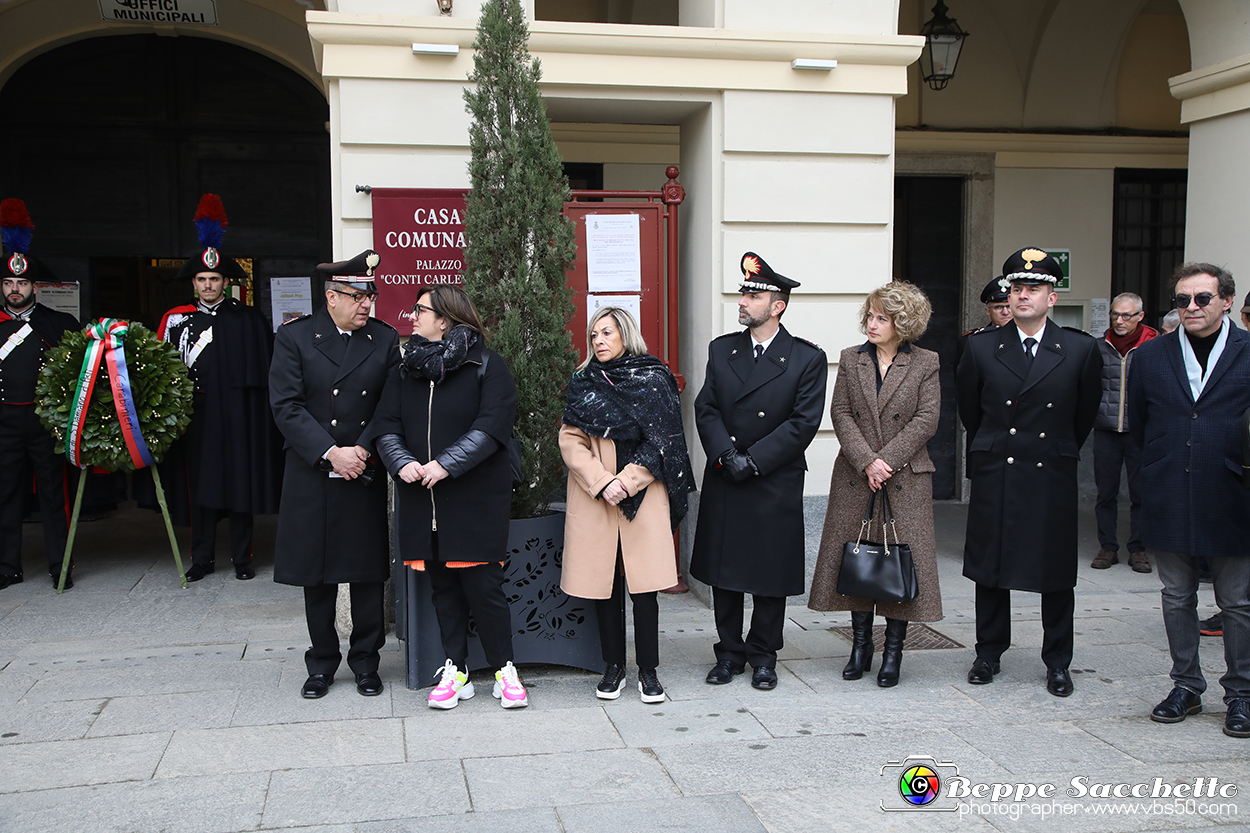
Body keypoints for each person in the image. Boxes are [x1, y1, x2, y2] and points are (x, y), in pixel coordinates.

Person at [372, 285, 527, 710]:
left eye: (421, 310)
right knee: (444, 591)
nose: (413, 316)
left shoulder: (487, 365)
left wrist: (445, 464)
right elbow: (385, 424)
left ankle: (504, 671)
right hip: (423, 501)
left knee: (485, 589)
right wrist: (401, 462)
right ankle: (455, 671)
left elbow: (492, 426)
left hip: (473, 499)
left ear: (445, 319)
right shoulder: (405, 369)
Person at [956, 247, 1101, 697]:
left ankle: (1057, 661)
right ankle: (988, 652)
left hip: (1049, 472)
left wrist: (1055, 450)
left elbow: (1083, 415)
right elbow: (970, 410)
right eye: (1017, 288)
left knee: (1055, 572)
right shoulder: (981, 346)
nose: (1023, 296)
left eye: (1033, 289)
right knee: (990, 568)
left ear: (1051, 297)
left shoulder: (1079, 348)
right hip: (999, 465)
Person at [690, 252, 827, 691]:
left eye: (753, 293)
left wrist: (755, 460)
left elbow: (803, 423)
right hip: (727, 473)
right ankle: (728, 652)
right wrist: (727, 455)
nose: (743, 300)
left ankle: (764, 654)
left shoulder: (806, 358)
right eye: (743, 292)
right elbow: (706, 407)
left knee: (769, 574)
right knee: (725, 573)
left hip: (773, 478)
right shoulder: (722, 349)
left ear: (778, 304)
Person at [1127, 262, 1250, 739]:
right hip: (1169, 488)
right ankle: (1186, 686)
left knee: (1237, 602)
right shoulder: (1151, 356)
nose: (1191, 308)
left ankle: (1240, 693)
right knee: (1176, 595)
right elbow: (1139, 424)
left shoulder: (1246, 351)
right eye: (1182, 300)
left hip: (1233, 491)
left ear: (1225, 302)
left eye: (1202, 298)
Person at [269, 250, 398, 700]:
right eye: (358, 295)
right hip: (313, 470)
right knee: (316, 573)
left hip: (361, 469)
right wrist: (330, 452)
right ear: (332, 296)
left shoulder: (383, 340)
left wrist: (361, 450)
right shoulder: (296, 337)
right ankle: (321, 663)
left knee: (365, 572)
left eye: (371, 295)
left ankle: (366, 662)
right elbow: (286, 405)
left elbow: (390, 404)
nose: (367, 304)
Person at [809, 281, 942, 688]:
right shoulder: (852, 359)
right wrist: (868, 461)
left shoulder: (926, 362)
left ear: (903, 322)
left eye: (881, 317)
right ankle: (860, 647)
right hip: (856, 476)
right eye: (869, 316)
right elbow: (841, 412)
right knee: (858, 559)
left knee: (900, 564)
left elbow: (927, 418)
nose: (871, 323)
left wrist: (887, 461)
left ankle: (894, 653)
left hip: (905, 479)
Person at [560, 306, 694, 703]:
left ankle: (649, 672)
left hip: (642, 493)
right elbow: (571, 440)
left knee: (645, 587)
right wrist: (603, 483)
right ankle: (613, 667)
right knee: (605, 585)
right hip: (595, 496)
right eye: (594, 335)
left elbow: (666, 440)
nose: (599, 341)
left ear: (625, 335)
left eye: (607, 333)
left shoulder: (653, 379)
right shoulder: (583, 383)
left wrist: (628, 480)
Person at [156, 194, 282, 582]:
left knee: (240, 487)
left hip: (240, 418)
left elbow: (266, 376)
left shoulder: (248, 319)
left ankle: (242, 559)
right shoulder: (177, 321)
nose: (209, 285)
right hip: (197, 419)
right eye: (202, 279)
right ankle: (203, 558)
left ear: (226, 282)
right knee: (201, 492)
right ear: (193, 282)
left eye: (215, 279)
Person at [0, 198, 80, 590]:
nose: (15, 290)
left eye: (22, 283)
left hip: (45, 421)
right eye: (9, 283)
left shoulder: (58, 323)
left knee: (53, 496)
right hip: (4, 422)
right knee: (5, 496)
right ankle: (7, 567)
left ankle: (59, 565)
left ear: (34, 286)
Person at [1090, 292, 1157, 573]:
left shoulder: (1155, 346)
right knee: (1105, 492)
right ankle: (1108, 547)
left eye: (1126, 315)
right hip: (1105, 429)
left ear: (1140, 316)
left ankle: (1138, 549)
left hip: (1140, 431)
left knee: (1140, 493)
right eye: (1115, 314)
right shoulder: (1098, 347)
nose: (1119, 320)